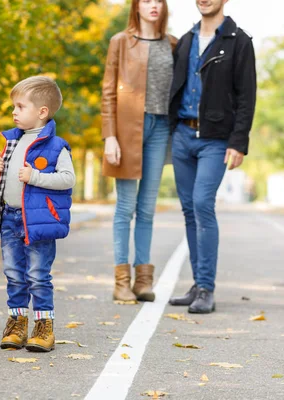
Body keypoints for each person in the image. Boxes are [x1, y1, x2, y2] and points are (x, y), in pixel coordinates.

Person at [168, 0, 256, 313]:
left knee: (203, 204)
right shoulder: (186, 39)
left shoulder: (238, 40)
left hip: (215, 139)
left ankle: (207, 287)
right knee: (190, 210)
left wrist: (238, 141)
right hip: (182, 136)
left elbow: (247, 96)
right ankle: (197, 284)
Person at [0, 76, 76, 352]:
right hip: (11, 219)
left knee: (38, 275)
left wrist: (35, 176)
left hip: (37, 222)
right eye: (13, 106)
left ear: (42, 112)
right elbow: (1, 183)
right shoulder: (11, 142)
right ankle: (17, 324)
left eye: (20, 106)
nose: (13, 111)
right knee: (13, 273)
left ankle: (43, 327)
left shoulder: (56, 145)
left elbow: (67, 179)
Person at [101, 0, 177, 303]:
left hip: (161, 128)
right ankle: (121, 282)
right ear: (136, 6)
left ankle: (143, 281)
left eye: (158, 0)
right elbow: (108, 91)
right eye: (146, 0)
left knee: (146, 209)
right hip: (127, 128)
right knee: (125, 207)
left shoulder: (173, 43)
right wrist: (110, 136)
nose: (153, 5)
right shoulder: (120, 42)